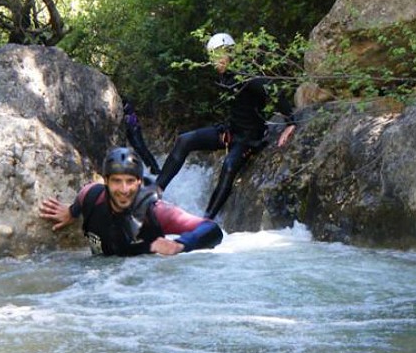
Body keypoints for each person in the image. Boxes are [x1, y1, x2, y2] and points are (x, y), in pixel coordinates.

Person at [156, 32, 297, 219]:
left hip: (249, 137)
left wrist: (290, 122)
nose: (216, 62)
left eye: (219, 56)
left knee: (229, 166)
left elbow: (273, 90)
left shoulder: (246, 75)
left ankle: (206, 219)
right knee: (184, 140)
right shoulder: (226, 75)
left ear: (230, 53)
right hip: (230, 130)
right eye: (213, 58)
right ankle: (155, 192)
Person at [39, 147, 223, 256]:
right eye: (117, 181)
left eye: (130, 181)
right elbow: (79, 203)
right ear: (106, 181)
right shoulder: (91, 196)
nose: (124, 190)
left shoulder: (155, 212)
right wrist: (70, 213)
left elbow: (212, 229)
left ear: (140, 182)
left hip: (140, 287)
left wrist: (182, 244)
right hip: (99, 280)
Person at [122, 96, 161, 175]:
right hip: (130, 129)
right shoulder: (123, 103)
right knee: (139, 150)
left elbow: (131, 115)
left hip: (134, 128)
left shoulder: (126, 104)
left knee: (142, 148)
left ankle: (155, 168)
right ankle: (151, 168)